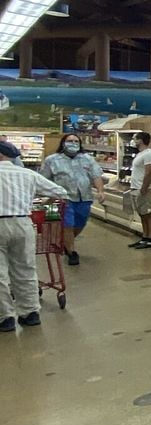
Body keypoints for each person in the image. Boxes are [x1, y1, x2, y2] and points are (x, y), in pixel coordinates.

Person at [0, 141, 69, 332]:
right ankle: (30, 313)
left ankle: (5, 318)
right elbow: (61, 192)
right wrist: (44, 203)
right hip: (23, 223)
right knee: (26, 269)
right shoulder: (27, 174)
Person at [40, 133, 105, 265]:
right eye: (70, 141)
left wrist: (101, 191)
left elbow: (96, 176)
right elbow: (44, 179)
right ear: (63, 143)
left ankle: (66, 242)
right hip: (64, 198)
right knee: (68, 224)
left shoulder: (87, 159)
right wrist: (47, 197)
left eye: (76, 141)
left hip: (84, 197)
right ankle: (72, 252)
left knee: (80, 223)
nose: (73, 143)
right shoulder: (52, 160)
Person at [128, 131, 151, 249]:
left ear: (141, 140)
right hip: (136, 188)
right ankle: (145, 237)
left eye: (135, 138)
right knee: (142, 214)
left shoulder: (149, 154)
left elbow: (149, 172)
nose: (133, 141)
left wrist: (144, 188)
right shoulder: (140, 154)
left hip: (143, 189)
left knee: (148, 213)